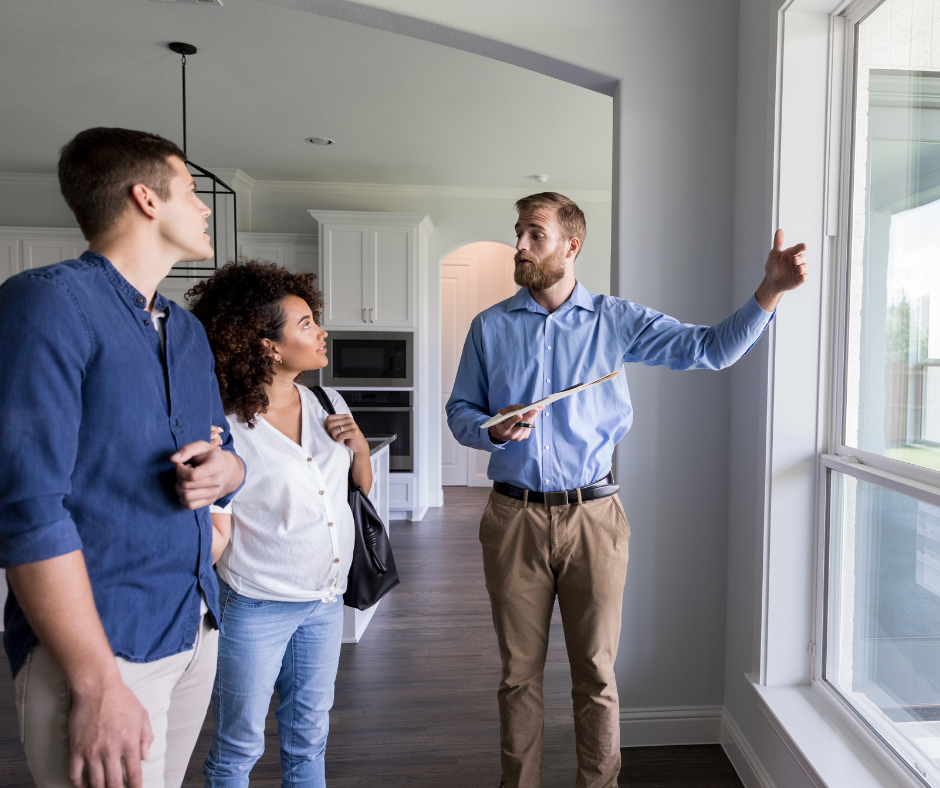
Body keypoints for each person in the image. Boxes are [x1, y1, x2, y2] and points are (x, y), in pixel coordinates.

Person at [445, 192, 808, 788]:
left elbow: (709, 349)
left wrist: (768, 292)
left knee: (596, 674)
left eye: (535, 234)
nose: (519, 246)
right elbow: (460, 411)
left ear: (571, 244)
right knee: (518, 676)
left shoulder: (615, 320)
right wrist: (491, 428)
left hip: (595, 519)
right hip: (512, 518)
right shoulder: (489, 326)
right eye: (518, 233)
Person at [0, 128, 246, 788]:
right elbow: (26, 511)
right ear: (146, 198)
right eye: (191, 192)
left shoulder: (187, 330)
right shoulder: (46, 302)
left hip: (192, 625)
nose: (204, 208)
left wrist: (229, 475)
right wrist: (96, 682)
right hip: (103, 648)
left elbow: (223, 453)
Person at [186, 260, 372, 787]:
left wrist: (358, 446)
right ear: (267, 345)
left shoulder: (326, 401)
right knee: (237, 746)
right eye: (306, 323)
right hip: (256, 604)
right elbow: (211, 520)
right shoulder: (224, 420)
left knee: (309, 739)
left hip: (324, 600)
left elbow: (359, 486)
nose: (322, 331)